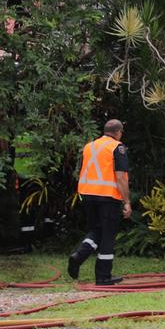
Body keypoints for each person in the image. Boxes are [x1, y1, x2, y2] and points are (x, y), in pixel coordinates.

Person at [67, 119, 132, 286]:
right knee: (108, 235)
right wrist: (127, 202)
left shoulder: (90, 146)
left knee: (96, 230)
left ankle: (79, 256)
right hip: (108, 197)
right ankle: (103, 277)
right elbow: (120, 177)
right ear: (118, 132)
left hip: (88, 195)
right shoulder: (118, 147)